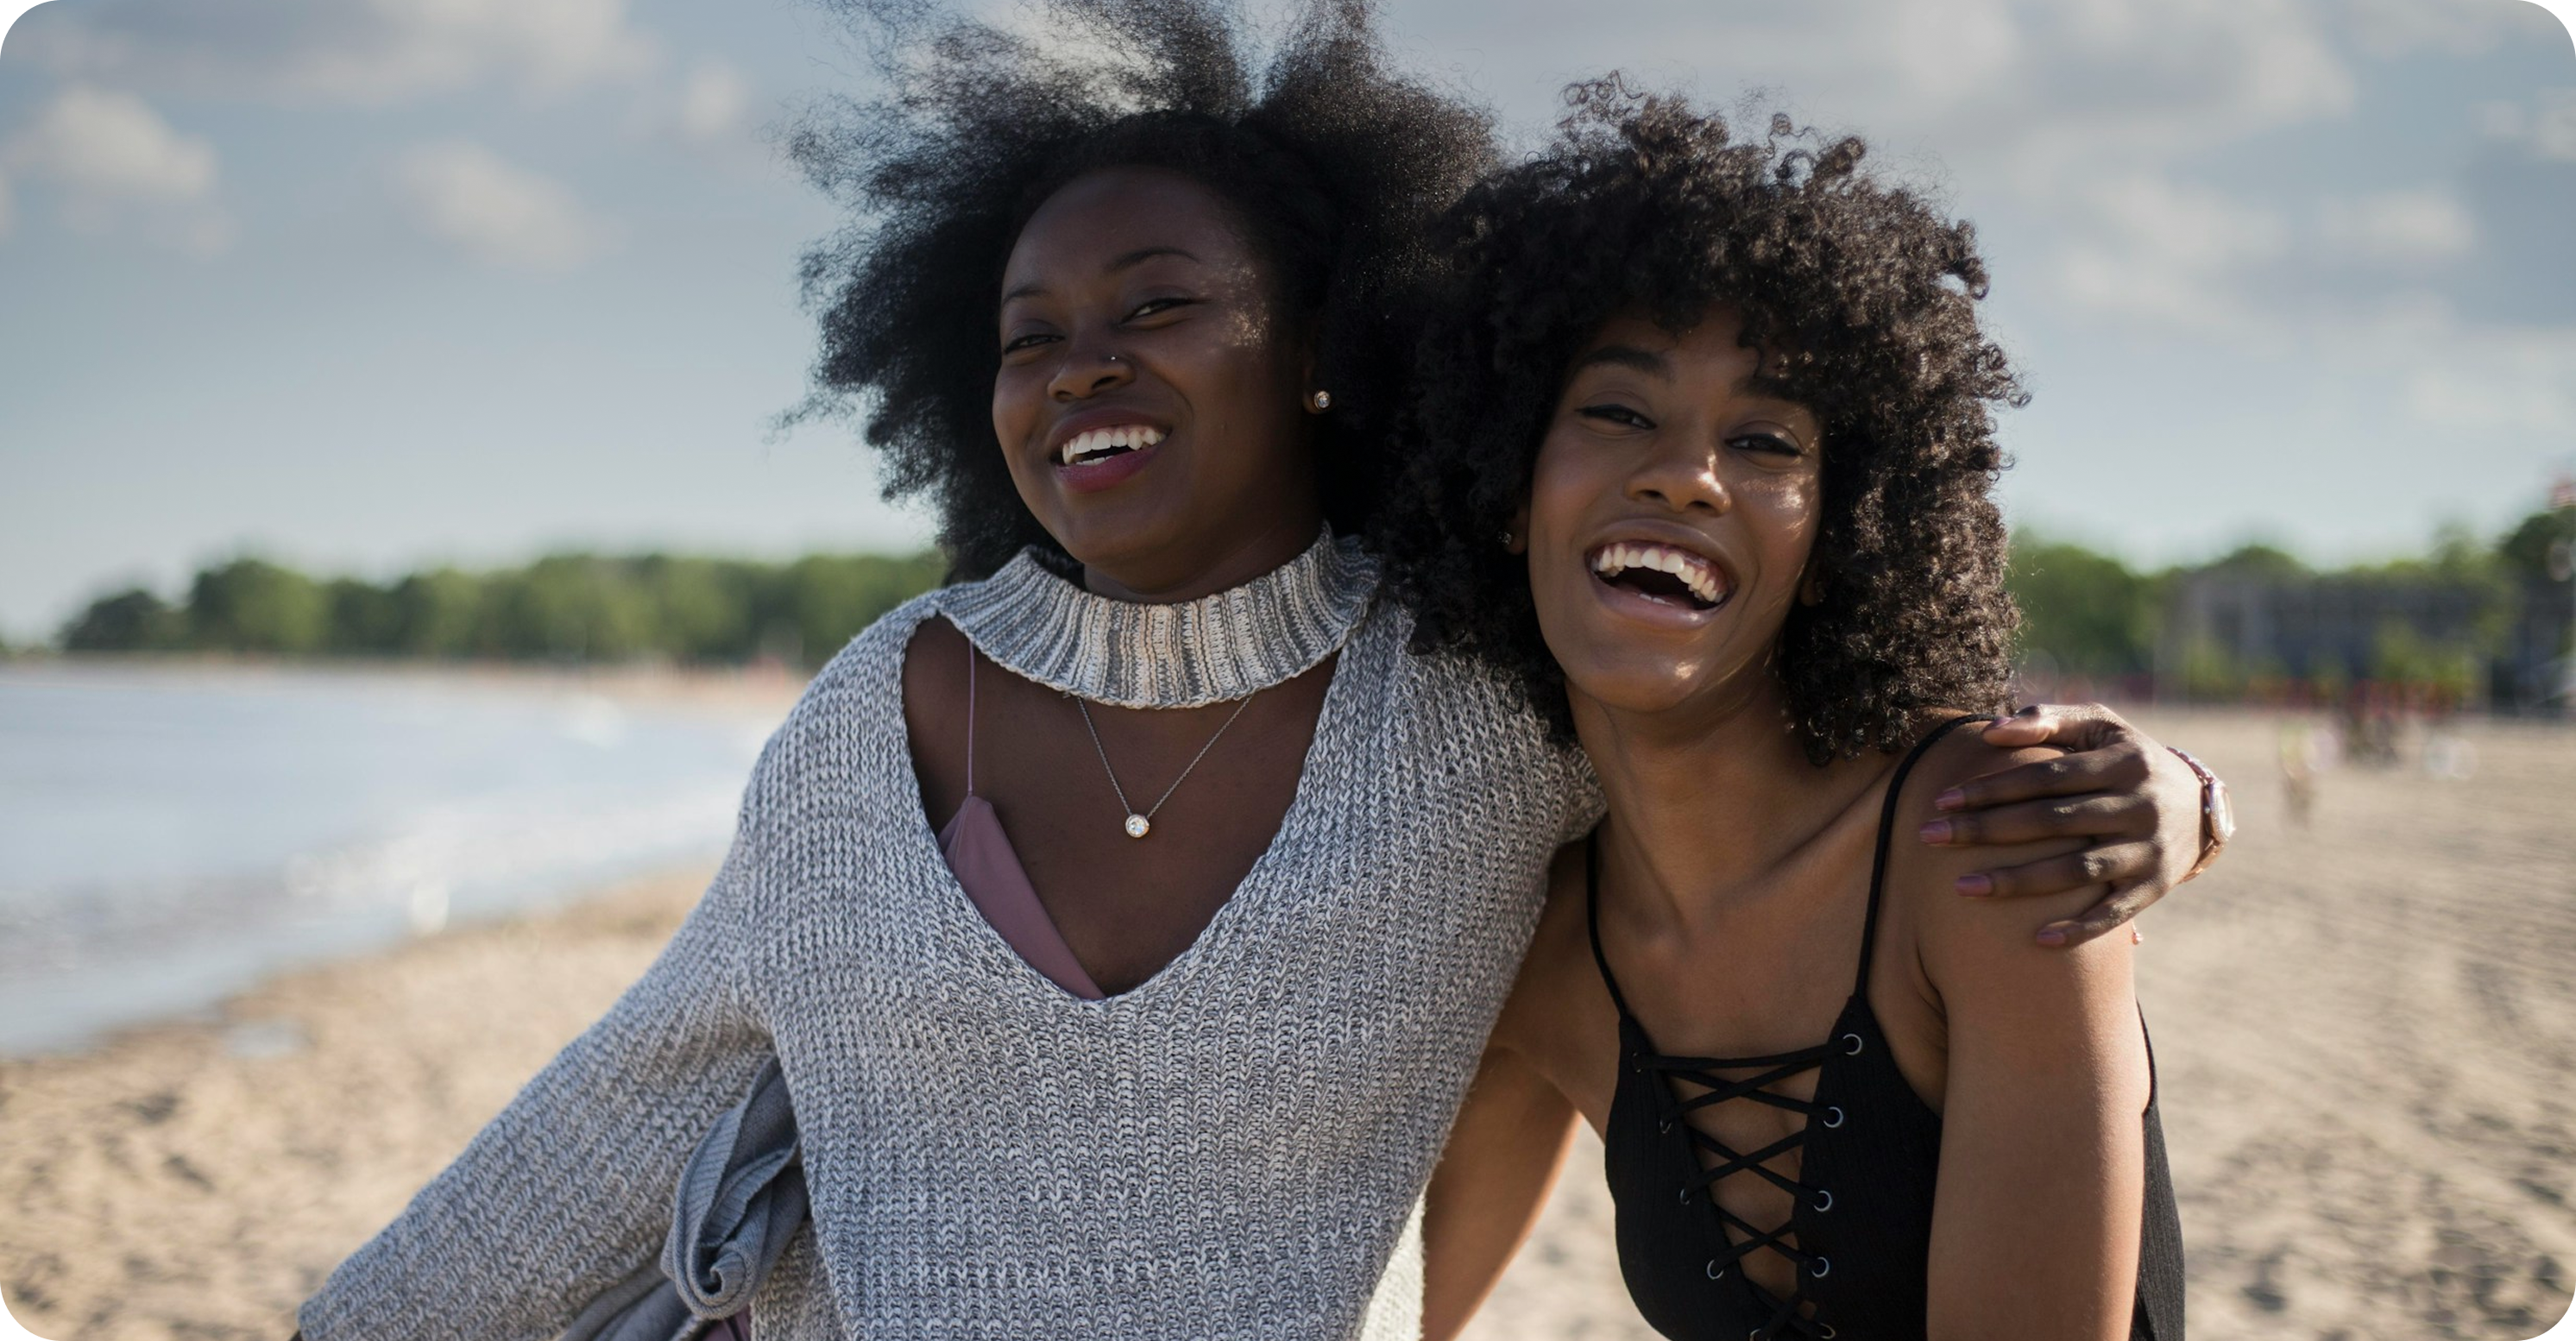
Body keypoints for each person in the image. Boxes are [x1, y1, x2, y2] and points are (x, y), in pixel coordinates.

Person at [295, 8, 2219, 1338]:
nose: (1084, 366)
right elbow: (620, 1109)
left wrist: (2180, 797)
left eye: (1158, 309)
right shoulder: (869, 723)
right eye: (1030, 333)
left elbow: (1754, 731)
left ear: (1321, 349)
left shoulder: (1474, 705)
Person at [1392, 86, 2192, 1340]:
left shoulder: (1989, 841)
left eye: (1766, 439)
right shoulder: (1538, 953)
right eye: (1617, 410)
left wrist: (2192, 794)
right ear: (1504, 487)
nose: (1685, 472)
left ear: (1836, 536)